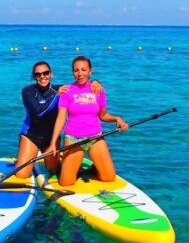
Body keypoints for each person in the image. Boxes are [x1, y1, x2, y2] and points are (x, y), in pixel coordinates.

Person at [44, 56, 128, 186]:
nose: (80, 73)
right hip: (73, 139)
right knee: (66, 182)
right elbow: (61, 118)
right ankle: (65, 164)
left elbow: (103, 115)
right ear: (73, 72)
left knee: (109, 177)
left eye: (83, 70)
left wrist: (117, 119)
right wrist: (52, 143)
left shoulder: (98, 90)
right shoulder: (67, 91)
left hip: (95, 137)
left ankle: (93, 167)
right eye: (76, 70)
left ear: (90, 71)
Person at [15, 61, 102, 178]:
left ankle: (62, 160)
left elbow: (80, 85)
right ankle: (27, 158)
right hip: (31, 136)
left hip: (51, 139)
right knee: (21, 174)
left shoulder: (61, 89)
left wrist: (95, 82)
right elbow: (39, 111)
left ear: (51, 74)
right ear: (34, 77)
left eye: (45, 73)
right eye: (38, 74)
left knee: (54, 170)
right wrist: (56, 96)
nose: (42, 76)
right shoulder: (27, 91)